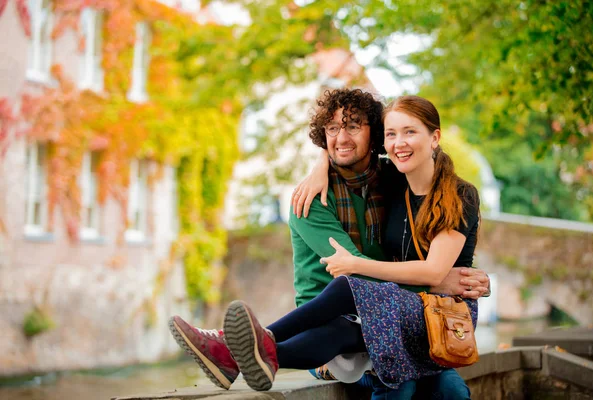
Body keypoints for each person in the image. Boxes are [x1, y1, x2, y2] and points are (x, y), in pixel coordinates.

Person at [169, 91, 486, 398]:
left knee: (444, 387)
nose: (341, 137)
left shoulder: (396, 178)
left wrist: (438, 276)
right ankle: (248, 348)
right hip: (331, 319)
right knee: (355, 313)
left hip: (419, 313)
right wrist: (322, 160)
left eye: (352, 126)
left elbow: (374, 267)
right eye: (332, 129)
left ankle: (240, 347)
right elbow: (359, 269)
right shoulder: (311, 199)